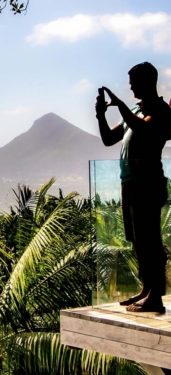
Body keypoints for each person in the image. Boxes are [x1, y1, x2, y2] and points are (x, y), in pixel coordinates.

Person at [96, 61, 171, 313]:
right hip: (129, 183)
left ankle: (155, 297)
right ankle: (147, 289)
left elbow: (147, 130)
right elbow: (108, 139)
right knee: (138, 241)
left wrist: (121, 106)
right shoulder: (137, 111)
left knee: (150, 240)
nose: (131, 89)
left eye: (134, 84)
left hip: (147, 183)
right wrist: (101, 115)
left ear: (148, 82)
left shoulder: (158, 110)